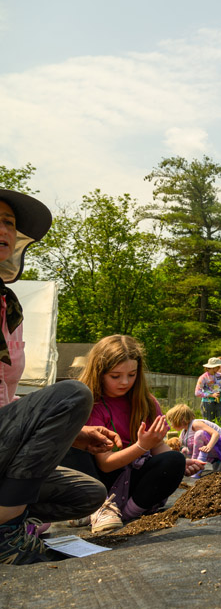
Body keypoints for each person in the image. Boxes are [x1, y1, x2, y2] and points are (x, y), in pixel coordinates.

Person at [0, 189, 117, 565]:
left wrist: (78, 433)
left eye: (8, 223)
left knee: (86, 494)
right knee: (72, 395)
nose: (2, 229)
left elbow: (5, 399)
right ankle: (6, 535)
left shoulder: (8, 307)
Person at [78, 335, 202, 534]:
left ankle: (127, 513)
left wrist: (176, 463)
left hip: (134, 475)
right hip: (102, 476)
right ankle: (100, 507)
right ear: (99, 373)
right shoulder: (91, 404)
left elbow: (157, 445)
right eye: (115, 376)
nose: (125, 382)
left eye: (132, 374)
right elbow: (106, 464)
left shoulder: (147, 402)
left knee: (174, 459)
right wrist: (141, 447)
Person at [165, 403, 221, 476]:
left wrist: (208, 447)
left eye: (171, 421)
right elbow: (180, 445)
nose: (171, 424)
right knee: (184, 450)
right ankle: (215, 461)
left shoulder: (195, 424)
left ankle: (196, 468)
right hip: (213, 449)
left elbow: (215, 434)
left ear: (180, 419)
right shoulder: (184, 432)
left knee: (199, 434)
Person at [195, 357, 221, 425]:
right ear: (212, 367)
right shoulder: (203, 377)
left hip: (220, 401)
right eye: (217, 366)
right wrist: (211, 395)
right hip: (208, 403)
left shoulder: (220, 376)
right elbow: (197, 392)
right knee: (209, 423)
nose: (219, 368)